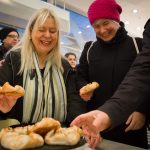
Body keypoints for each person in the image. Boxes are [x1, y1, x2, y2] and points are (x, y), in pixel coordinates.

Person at [75, 0, 147, 148]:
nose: (102, 30)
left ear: (116, 20)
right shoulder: (89, 48)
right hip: (96, 122)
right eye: (96, 26)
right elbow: (81, 75)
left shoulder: (138, 45)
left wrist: (143, 111)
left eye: (106, 23)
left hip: (130, 123)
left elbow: (145, 80)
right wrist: (84, 88)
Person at [0, 7, 86, 127]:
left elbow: (73, 100)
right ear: (30, 32)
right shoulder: (14, 58)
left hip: (58, 134)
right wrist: (3, 109)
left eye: (52, 31)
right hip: (21, 135)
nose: (47, 35)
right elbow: (3, 96)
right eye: (41, 30)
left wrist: (77, 124)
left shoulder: (64, 64)